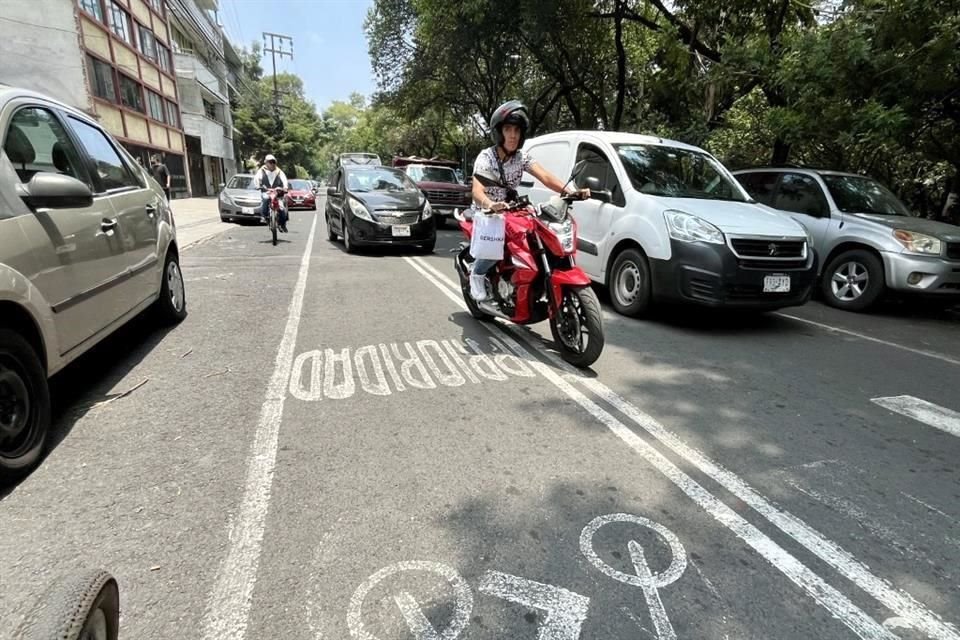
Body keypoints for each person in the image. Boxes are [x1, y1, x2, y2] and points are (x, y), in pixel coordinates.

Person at [469, 100, 590, 301]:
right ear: (499, 132)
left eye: (517, 130)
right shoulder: (486, 158)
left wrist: (570, 191)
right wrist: (490, 205)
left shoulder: (521, 157)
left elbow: (545, 176)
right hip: (487, 212)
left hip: (512, 209)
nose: (513, 135)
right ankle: (477, 273)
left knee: (539, 232)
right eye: (508, 129)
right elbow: (477, 191)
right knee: (496, 240)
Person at [253, 154, 289, 233]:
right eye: (270, 162)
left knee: (282, 208)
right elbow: (257, 179)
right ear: (266, 162)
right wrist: (258, 186)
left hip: (277, 193)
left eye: (273, 162)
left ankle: (282, 224)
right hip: (266, 191)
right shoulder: (261, 171)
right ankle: (264, 216)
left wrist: (285, 187)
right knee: (265, 199)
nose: (272, 164)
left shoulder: (279, 171)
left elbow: (284, 179)